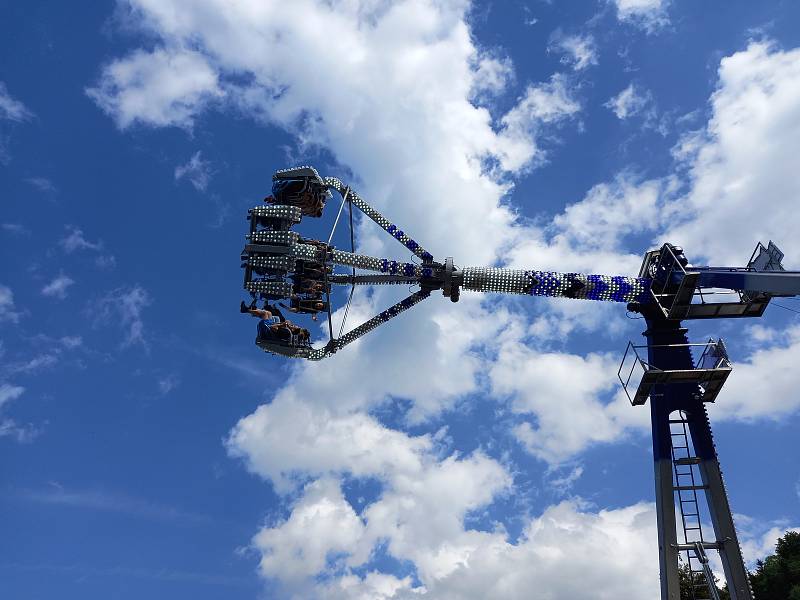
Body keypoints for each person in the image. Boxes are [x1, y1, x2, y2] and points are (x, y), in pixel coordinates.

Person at [240, 301, 309, 343]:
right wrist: (285, 324)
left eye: (294, 326)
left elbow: (273, 327)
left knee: (264, 314)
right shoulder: (288, 330)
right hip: (270, 329)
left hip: (267, 331)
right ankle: (252, 310)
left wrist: (282, 324)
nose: (294, 325)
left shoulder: (287, 332)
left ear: (293, 329)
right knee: (269, 313)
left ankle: (247, 310)